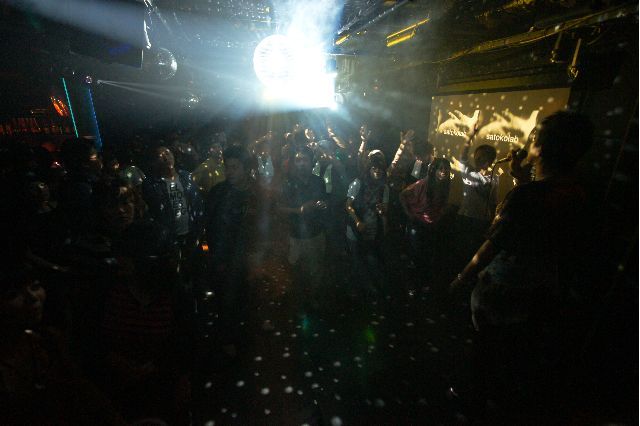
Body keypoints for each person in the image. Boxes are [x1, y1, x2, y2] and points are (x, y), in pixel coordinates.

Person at [449, 111, 595, 424]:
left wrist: (461, 279)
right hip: (539, 291)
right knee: (512, 356)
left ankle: (473, 403)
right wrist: (521, 179)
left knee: (483, 351)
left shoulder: (526, 195)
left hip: (502, 290)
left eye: (533, 139)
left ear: (541, 148)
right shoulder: (578, 192)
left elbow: (493, 245)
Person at [204, 145, 259, 356]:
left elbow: (266, 223)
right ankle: (227, 339)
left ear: (245, 168)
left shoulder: (256, 192)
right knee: (226, 300)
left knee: (247, 297)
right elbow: (209, 225)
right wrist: (213, 255)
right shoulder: (218, 193)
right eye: (227, 167)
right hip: (225, 258)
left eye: (235, 167)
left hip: (250, 256)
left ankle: (246, 334)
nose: (230, 172)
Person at [278, 145, 327, 312]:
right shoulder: (288, 183)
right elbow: (278, 208)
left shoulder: (318, 181)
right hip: (295, 236)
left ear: (312, 162)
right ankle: (297, 304)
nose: (301, 163)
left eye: (305, 160)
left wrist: (322, 205)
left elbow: (323, 202)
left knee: (316, 272)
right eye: (298, 160)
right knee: (295, 271)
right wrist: (298, 210)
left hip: (316, 234)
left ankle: (313, 300)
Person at [399, 158, 452, 282]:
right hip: (417, 223)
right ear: (434, 170)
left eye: (446, 169)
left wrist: (441, 214)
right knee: (415, 256)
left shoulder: (446, 185)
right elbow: (402, 195)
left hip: (431, 225)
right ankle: (411, 283)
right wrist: (409, 214)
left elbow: (442, 204)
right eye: (441, 168)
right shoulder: (423, 183)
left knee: (426, 256)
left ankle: (422, 283)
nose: (444, 171)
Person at [345, 150, 390, 296]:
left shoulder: (384, 188)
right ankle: (358, 289)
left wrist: (383, 215)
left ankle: (371, 288)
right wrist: (357, 221)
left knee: (370, 257)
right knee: (356, 258)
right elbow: (348, 205)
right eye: (374, 168)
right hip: (355, 229)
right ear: (369, 168)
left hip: (373, 229)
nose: (377, 171)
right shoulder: (358, 183)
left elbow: (385, 209)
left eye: (380, 168)